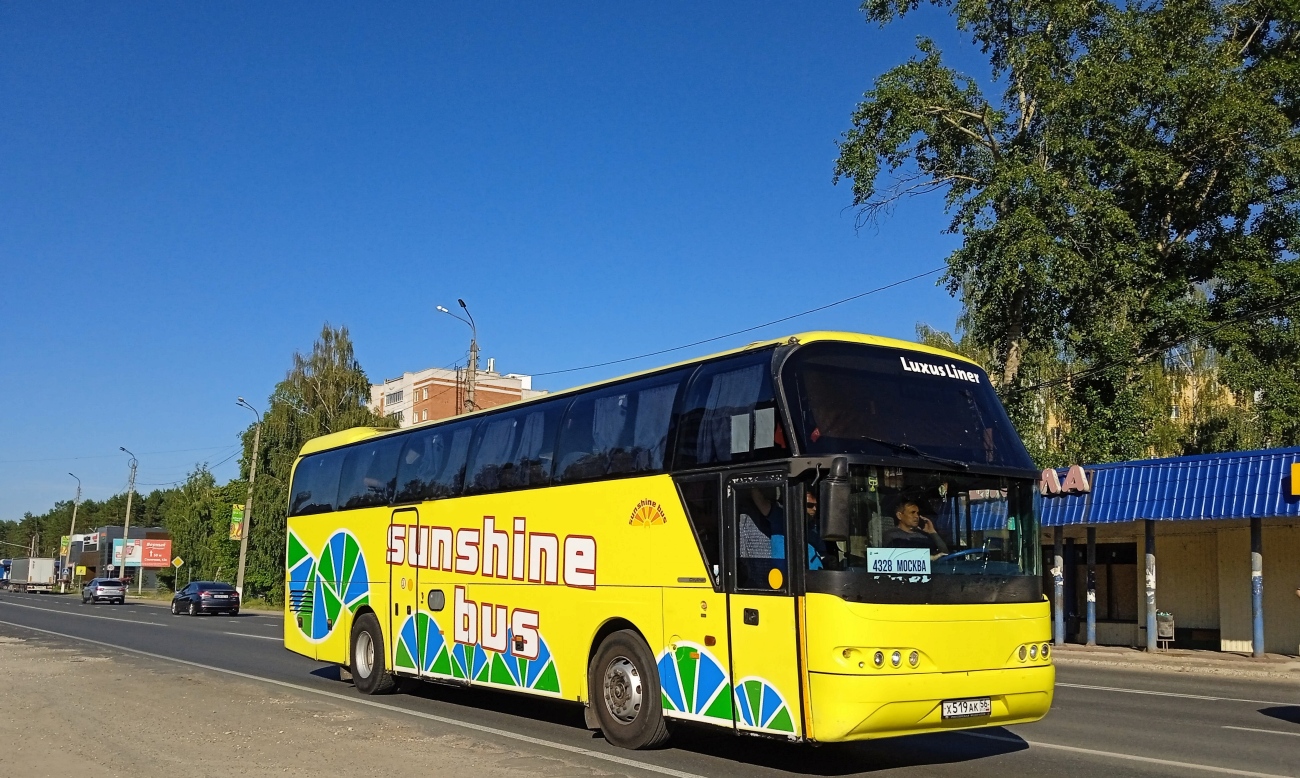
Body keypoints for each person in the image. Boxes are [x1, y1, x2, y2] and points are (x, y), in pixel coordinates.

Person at [882, 498, 949, 560]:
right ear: (899, 515)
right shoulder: (891, 535)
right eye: (912, 512)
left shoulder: (924, 536)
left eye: (917, 513)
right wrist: (929, 558)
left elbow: (944, 554)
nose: (916, 516)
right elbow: (896, 557)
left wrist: (932, 532)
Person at [803, 489, 829, 571]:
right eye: (810, 505)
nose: (814, 508)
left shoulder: (816, 527)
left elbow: (822, 553)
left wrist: (829, 559)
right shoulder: (783, 521)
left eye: (816, 505)